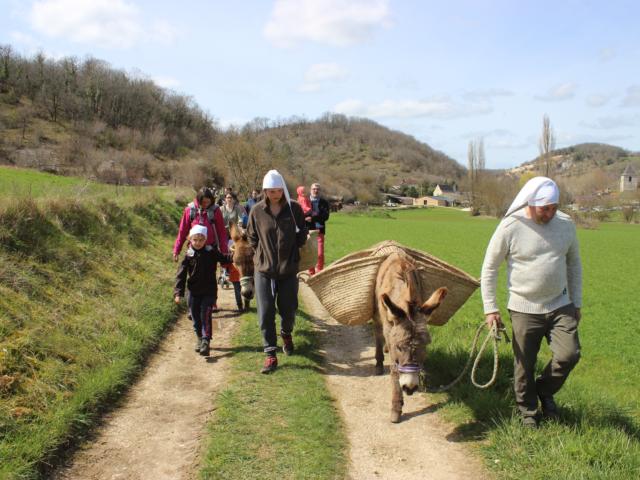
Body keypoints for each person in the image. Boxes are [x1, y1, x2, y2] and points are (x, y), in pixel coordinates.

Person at [480, 176, 582, 428]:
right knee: (523, 365)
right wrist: (490, 308)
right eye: (543, 209)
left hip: (560, 303)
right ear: (530, 203)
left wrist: (576, 303)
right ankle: (528, 411)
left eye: (553, 208)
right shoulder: (510, 226)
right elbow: (489, 269)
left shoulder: (566, 224)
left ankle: (544, 390)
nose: (549, 213)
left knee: (569, 355)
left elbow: (574, 264)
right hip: (524, 307)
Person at [246, 170, 308, 374]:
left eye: (278, 190)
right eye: (271, 191)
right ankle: (270, 354)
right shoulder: (257, 211)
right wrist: (261, 256)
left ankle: (286, 333)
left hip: (288, 269)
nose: (275, 194)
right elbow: (252, 237)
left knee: (288, 308)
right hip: (264, 269)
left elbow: (302, 235)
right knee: (265, 311)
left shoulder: (294, 210)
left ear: (283, 189)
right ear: (265, 191)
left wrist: (292, 252)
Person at [174, 225, 233, 356]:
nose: (198, 243)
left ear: (205, 240)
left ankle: (206, 341)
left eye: (201, 240)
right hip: (193, 292)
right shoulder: (188, 255)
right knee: (195, 316)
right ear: (190, 239)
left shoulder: (211, 251)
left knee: (205, 314)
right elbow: (181, 275)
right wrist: (178, 293)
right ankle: (200, 338)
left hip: (209, 290)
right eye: (195, 240)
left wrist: (235, 255)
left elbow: (224, 259)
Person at [173, 187, 229, 312]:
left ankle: (211, 302)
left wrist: (224, 252)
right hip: (193, 250)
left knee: (210, 276)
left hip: (210, 250)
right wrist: (176, 250)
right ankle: (192, 305)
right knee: (193, 277)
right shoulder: (190, 210)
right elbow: (182, 232)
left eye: (208, 202)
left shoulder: (215, 211)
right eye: (203, 202)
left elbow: (221, 233)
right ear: (199, 200)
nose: (206, 204)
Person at [221, 192, 247, 311]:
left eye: (231, 198)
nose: (229, 199)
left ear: (233, 199)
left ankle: (235, 268)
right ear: (225, 199)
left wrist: (240, 224)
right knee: (224, 252)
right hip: (224, 235)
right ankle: (225, 270)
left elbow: (241, 218)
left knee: (234, 251)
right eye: (227, 198)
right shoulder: (222, 209)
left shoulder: (237, 208)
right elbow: (219, 220)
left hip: (234, 235)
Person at [305, 182, 330, 274]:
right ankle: (311, 272)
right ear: (310, 190)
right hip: (309, 230)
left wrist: (312, 218)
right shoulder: (305, 201)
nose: (316, 191)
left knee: (320, 253)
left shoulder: (324, 202)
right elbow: (302, 214)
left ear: (320, 191)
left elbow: (326, 216)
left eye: (317, 189)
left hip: (320, 230)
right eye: (314, 189)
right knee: (310, 253)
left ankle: (319, 272)